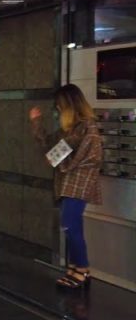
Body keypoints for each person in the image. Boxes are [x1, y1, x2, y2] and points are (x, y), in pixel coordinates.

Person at [29, 84, 103, 290]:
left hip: (78, 184)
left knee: (70, 224)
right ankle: (74, 267)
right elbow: (49, 147)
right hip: (68, 183)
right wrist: (36, 123)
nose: (58, 110)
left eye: (60, 106)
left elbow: (58, 155)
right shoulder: (72, 128)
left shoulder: (87, 127)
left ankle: (82, 268)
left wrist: (57, 160)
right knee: (71, 226)